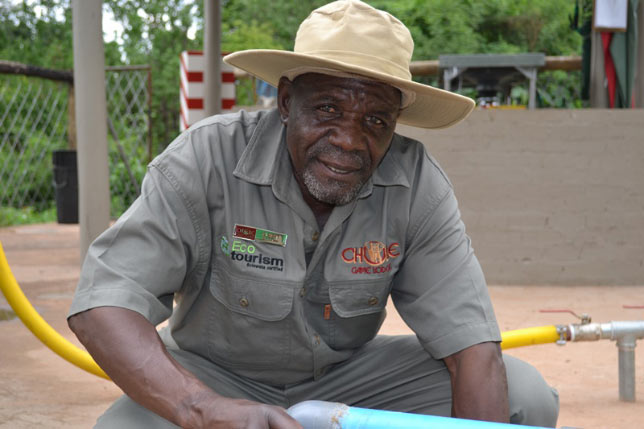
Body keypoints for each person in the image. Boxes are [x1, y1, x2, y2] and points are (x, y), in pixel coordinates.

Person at [68, 1, 559, 427]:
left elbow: (472, 347)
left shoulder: (417, 185)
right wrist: (201, 408)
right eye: (327, 109)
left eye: (374, 121)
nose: (349, 140)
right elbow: (104, 306)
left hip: (352, 379)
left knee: (525, 398)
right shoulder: (204, 159)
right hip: (214, 376)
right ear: (286, 101)